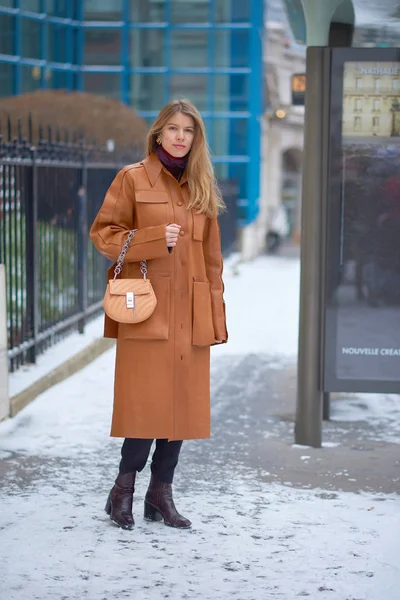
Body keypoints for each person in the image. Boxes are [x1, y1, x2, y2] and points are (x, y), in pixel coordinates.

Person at [90, 98, 228, 531]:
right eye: (173, 129)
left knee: (181, 408)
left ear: (196, 137)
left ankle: (160, 494)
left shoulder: (202, 185)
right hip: (146, 311)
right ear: (158, 133)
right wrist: (152, 239)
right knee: (145, 406)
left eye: (189, 130)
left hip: (190, 313)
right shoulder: (132, 178)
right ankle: (123, 489)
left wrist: (215, 315)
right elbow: (104, 234)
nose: (180, 137)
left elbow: (212, 261)